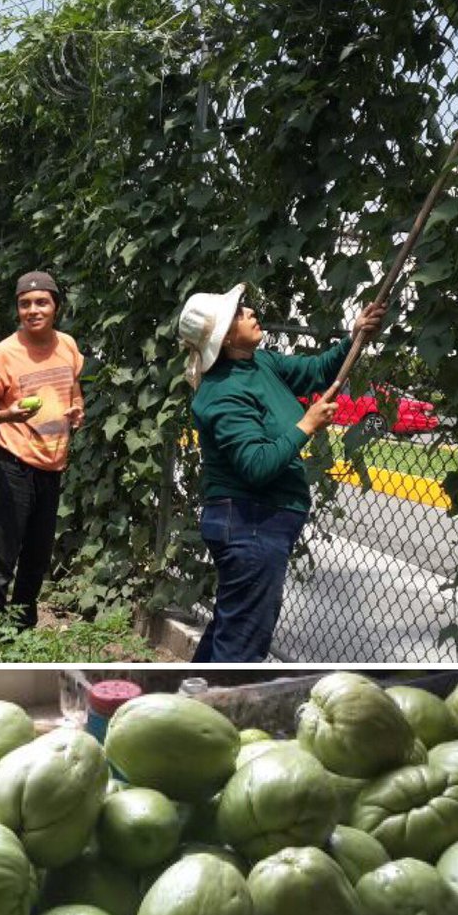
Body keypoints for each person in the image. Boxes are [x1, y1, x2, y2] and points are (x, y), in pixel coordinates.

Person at [178, 284, 385, 662]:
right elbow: (256, 465)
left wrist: (355, 335)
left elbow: (317, 370)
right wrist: (306, 426)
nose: (251, 311)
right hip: (248, 523)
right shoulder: (222, 392)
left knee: (232, 630)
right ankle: (217, 708)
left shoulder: (260, 363)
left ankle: (189, 699)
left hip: (256, 524)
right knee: (242, 645)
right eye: (239, 312)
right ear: (224, 338)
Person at [0, 270, 84, 629]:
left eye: (41, 302)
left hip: (52, 467)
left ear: (56, 307)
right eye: (25, 304)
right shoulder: (4, 353)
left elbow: (74, 389)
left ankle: (21, 631)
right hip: (14, 465)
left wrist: (78, 409)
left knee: (37, 557)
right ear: (17, 309)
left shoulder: (67, 345)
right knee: (3, 557)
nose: (33, 310)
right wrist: (8, 413)